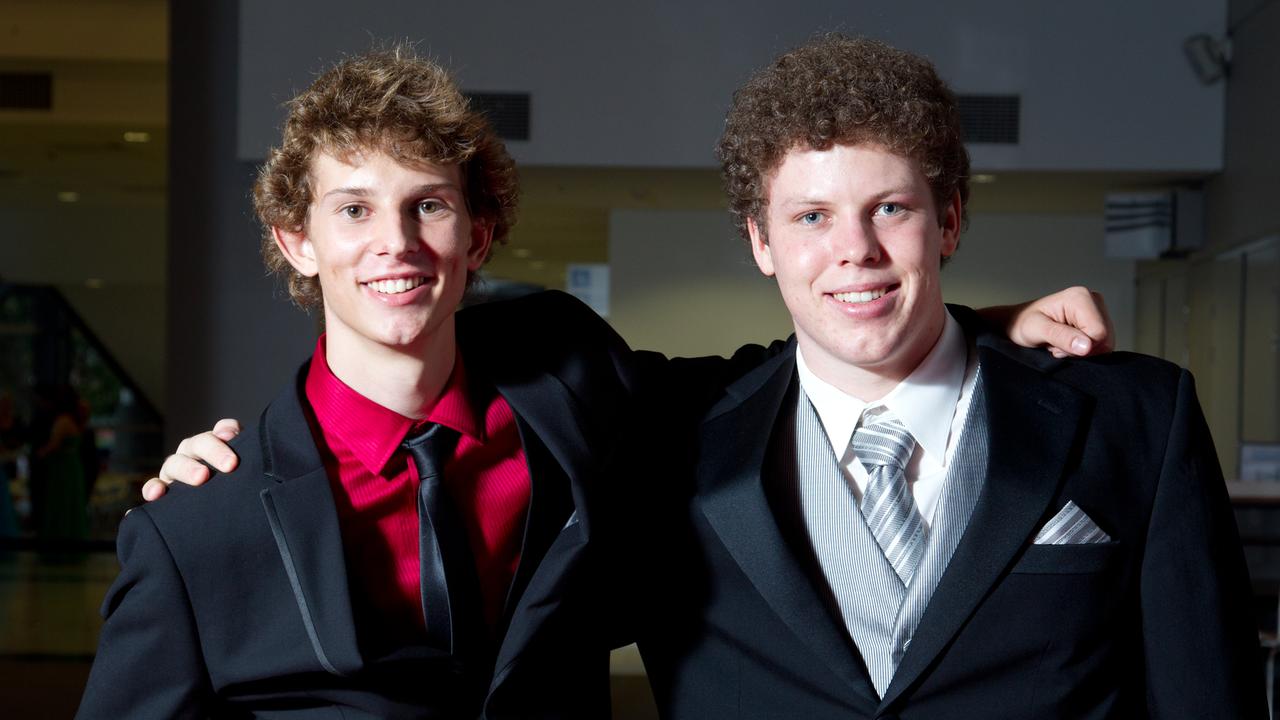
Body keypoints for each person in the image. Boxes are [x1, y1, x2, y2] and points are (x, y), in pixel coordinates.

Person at [123, 44, 1118, 718]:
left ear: (478, 233)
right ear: (297, 241)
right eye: (352, 211)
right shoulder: (197, 519)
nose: (395, 244)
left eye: (428, 206)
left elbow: (765, 379)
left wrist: (974, 326)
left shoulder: (569, 383)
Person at [623, 35, 1264, 718]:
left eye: (890, 209)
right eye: (813, 217)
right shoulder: (675, 431)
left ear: (949, 220)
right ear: (761, 242)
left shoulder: (1138, 416)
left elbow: (1208, 695)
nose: (857, 250)